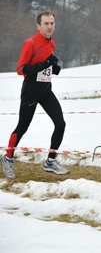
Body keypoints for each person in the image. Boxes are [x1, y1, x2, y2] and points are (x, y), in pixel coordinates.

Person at [1, 10, 69, 179]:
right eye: (46, 23)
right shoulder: (31, 43)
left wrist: (53, 68)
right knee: (22, 127)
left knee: (60, 124)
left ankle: (50, 162)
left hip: (46, 90)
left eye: (52, 23)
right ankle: (8, 159)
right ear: (38, 25)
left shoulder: (52, 43)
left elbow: (45, 65)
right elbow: (21, 69)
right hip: (31, 91)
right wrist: (45, 63)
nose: (49, 27)